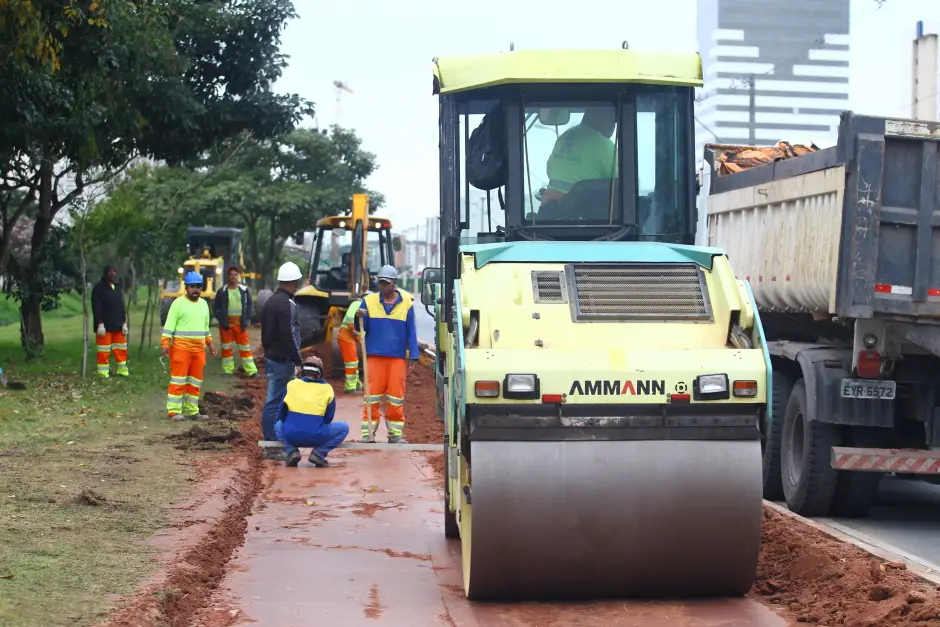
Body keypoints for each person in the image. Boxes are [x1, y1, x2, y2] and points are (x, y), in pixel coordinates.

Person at [355, 265, 419, 444]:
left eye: (386, 283)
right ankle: (368, 434)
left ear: (394, 283)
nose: (382, 286)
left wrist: (413, 355)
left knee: (396, 398)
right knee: (371, 397)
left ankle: (395, 434)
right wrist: (358, 316)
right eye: (381, 282)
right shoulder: (368, 302)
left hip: (396, 358)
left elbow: (411, 331)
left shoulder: (406, 303)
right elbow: (360, 327)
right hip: (374, 356)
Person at [259, 261, 304, 458]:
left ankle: (275, 441)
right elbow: (288, 335)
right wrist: (297, 359)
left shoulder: (271, 301)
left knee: (277, 401)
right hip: (281, 361)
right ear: (294, 282)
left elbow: (265, 334)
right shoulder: (285, 304)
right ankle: (271, 445)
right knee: (274, 402)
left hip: (273, 357)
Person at [274, 355, 349, 467]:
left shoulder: (291, 385)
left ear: (303, 371)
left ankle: (292, 451)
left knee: (278, 425)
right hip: (316, 437)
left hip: (292, 435)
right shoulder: (327, 389)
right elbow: (328, 418)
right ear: (320, 373)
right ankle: (319, 453)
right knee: (344, 428)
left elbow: (281, 414)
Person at [161, 271, 218, 420]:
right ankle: (174, 411)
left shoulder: (204, 305)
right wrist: (165, 344)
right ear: (186, 287)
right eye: (192, 286)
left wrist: (210, 344)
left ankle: (192, 411)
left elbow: (205, 328)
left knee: (195, 382)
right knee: (178, 381)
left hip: (199, 350)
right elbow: (169, 326)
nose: (195, 290)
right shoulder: (178, 304)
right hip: (181, 349)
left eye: (198, 286)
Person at [539, 107, 617, 208]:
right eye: (613, 122)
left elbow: (550, 169)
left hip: (547, 204)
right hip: (577, 211)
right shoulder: (605, 145)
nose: (613, 127)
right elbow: (621, 183)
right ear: (606, 121)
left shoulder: (565, 136)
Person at [214, 265, 259, 378]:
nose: (233, 277)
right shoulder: (222, 291)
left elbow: (249, 306)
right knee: (226, 349)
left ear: (238, 276)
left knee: (245, 349)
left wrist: (247, 319)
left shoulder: (244, 290)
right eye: (231, 274)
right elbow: (216, 308)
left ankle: (252, 371)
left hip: (240, 325)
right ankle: (228, 371)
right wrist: (222, 319)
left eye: (235, 274)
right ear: (228, 276)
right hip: (226, 326)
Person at [91, 265, 129, 378]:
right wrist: (99, 323)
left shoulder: (117, 288)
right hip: (104, 326)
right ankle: (103, 372)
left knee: (121, 349)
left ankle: (122, 370)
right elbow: (96, 307)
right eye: (110, 271)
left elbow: (121, 306)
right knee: (103, 350)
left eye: (114, 271)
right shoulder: (99, 288)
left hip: (118, 325)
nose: (112, 274)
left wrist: (124, 322)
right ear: (105, 273)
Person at [337, 292, 368, 394]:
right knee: (351, 363)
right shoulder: (357, 303)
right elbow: (351, 320)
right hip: (346, 337)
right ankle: (350, 388)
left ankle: (356, 384)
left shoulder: (364, 308)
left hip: (350, 338)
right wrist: (359, 335)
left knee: (354, 362)